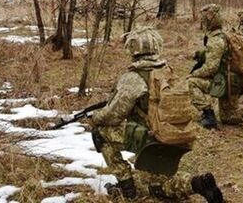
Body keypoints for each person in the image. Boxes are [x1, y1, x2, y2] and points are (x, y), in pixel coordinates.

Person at [88, 27, 224, 202]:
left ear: (133, 48)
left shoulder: (134, 77)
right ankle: (197, 183)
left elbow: (114, 115)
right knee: (157, 184)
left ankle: (127, 188)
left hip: (153, 138)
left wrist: (95, 118)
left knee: (101, 133)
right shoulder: (167, 70)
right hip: (177, 134)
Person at [188, 4, 243, 130]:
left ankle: (208, 115)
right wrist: (201, 54)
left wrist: (194, 74)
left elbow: (210, 68)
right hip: (236, 80)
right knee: (228, 117)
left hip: (226, 82)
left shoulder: (216, 39)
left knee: (191, 83)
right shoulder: (225, 35)